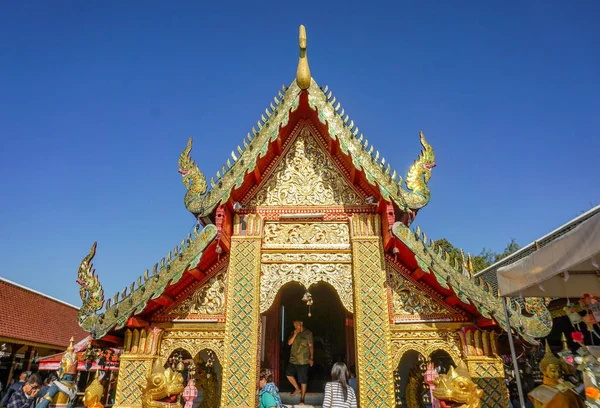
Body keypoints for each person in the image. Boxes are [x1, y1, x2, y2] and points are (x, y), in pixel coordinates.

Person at [286, 320, 313, 405]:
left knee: (303, 380)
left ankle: (302, 398)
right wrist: (295, 334)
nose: (296, 327)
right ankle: (297, 388)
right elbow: (289, 343)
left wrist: (311, 358)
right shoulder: (293, 333)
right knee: (288, 373)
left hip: (303, 360)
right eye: (294, 325)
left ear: (301, 323)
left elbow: (311, 347)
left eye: (297, 325)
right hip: (293, 359)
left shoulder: (308, 333)